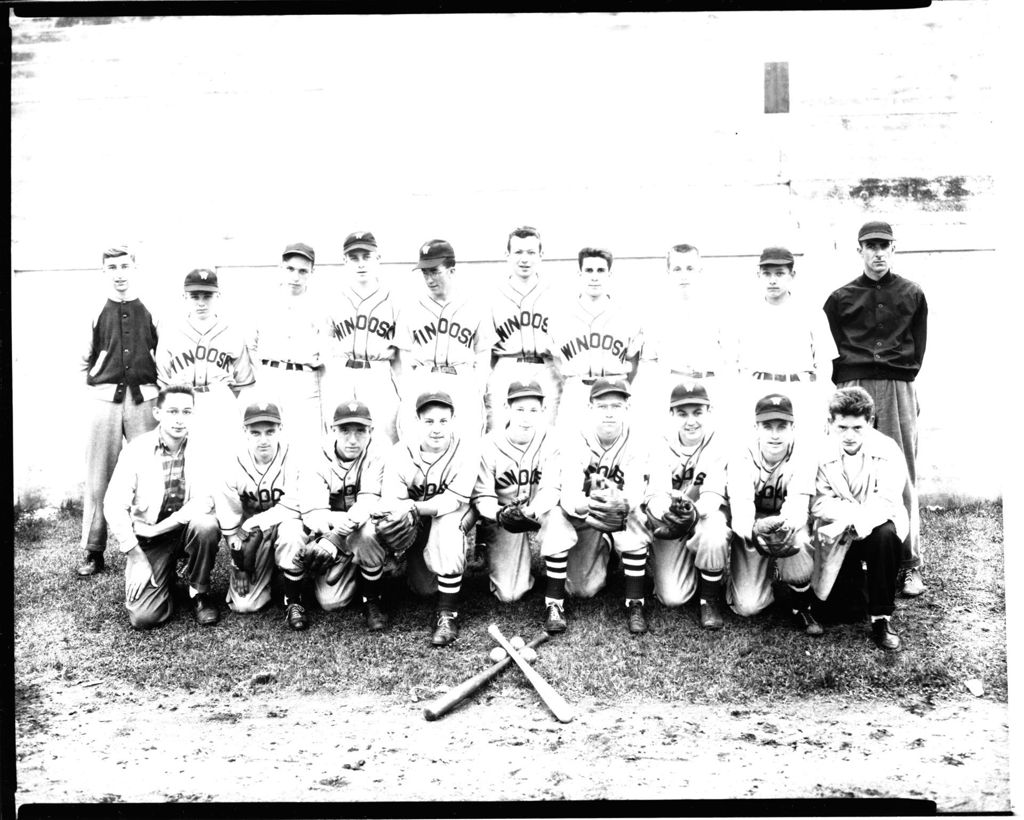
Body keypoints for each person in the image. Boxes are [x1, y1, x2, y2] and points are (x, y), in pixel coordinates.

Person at [823, 221, 928, 598]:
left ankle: (909, 563)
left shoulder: (912, 293)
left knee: (903, 471)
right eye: (871, 246)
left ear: (894, 248)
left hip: (897, 385)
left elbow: (918, 346)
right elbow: (834, 347)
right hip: (854, 385)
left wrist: (898, 378)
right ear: (860, 250)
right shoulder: (840, 298)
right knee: (846, 470)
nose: (878, 252)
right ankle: (848, 563)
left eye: (884, 245)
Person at [539, 378, 651, 635]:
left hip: (619, 515)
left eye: (616, 405)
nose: (610, 413)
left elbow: (635, 490)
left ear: (627, 408)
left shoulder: (637, 438)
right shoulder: (574, 437)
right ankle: (554, 603)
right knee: (583, 589)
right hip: (584, 515)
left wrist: (621, 503)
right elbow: (568, 497)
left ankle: (635, 602)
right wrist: (593, 504)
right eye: (602, 406)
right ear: (590, 408)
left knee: (633, 514)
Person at [102, 385, 221, 629]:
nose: (179, 419)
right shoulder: (136, 449)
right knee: (145, 618)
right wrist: (136, 557)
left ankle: (199, 592)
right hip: (149, 539)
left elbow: (204, 501)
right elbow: (113, 506)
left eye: (186, 412)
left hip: (183, 529)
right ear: (157, 413)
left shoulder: (204, 448)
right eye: (172, 411)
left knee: (206, 524)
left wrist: (158, 529)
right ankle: (164, 573)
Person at [77, 244, 160, 577]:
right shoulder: (95, 307)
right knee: (99, 475)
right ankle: (94, 549)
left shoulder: (152, 306)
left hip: (145, 398)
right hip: (106, 401)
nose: (120, 273)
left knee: (151, 474)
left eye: (125, 266)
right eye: (112, 267)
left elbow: (163, 353)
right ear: (104, 272)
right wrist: (95, 388)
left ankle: (155, 543)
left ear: (134, 267)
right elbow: (81, 358)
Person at [811, 386, 909, 651]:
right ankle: (856, 583)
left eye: (857, 428)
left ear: (870, 422)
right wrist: (847, 519)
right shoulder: (821, 452)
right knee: (845, 610)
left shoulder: (887, 449)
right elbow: (818, 502)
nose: (849, 436)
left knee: (885, 536)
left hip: (876, 525)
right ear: (830, 423)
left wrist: (853, 522)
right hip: (838, 531)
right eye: (842, 427)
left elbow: (887, 501)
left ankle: (881, 618)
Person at [380, 390, 479, 646]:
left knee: (447, 527)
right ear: (417, 421)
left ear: (453, 420)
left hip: (456, 510)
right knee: (424, 589)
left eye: (443, 421)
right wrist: (405, 515)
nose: (437, 429)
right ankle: (410, 559)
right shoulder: (399, 452)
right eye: (429, 421)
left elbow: (453, 500)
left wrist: (412, 508)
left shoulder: (467, 449)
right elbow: (393, 502)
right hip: (419, 518)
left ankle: (448, 613)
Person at [725, 393, 821, 636]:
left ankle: (800, 603)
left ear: (793, 428)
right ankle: (747, 578)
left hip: (784, 523)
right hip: (753, 523)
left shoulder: (805, 452)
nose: (775, 434)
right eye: (768, 426)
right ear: (756, 428)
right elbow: (740, 504)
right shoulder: (741, 451)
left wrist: (784, 528)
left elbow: (799, 504)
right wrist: (754, 531)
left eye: (782, 426)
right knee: (748, 606)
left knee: (797, 543)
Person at [211, 400, 309, 630]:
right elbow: (230, 522)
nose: (263, 440)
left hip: (286, 523)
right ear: (244, 432)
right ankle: (270, 572)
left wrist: (256, 520)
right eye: (255, 433)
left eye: (270, 432)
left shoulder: (296, 456)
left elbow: (296, 505)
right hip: (252, 538)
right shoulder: (230, 463)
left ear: (280, 430)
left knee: (292, 531)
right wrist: (239, 565)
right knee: (245, 605)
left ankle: (293, 598)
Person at [642, 381, 732, 630]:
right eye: (682, 413)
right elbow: (656, 494)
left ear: (709, 412)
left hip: (703, 514)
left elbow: (714, 495)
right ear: (671, 415)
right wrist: (666, 513)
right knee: (672, 598)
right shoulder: (658, 441)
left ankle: (709, 598)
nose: (690, 421)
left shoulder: (720, 442)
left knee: (714, 529)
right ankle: (663, 561)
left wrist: (693, 513)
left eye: (697, 413)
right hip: (671, 520)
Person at [300, 399, 390, 631]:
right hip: (327, 533)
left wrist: (340, 535)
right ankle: (364, 569)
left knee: (369, 529)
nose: (352, 439)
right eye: (344, 430)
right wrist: (334, 537)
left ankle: (372, 599)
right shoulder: (314, 455)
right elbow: (313, 514)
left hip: (359, 528)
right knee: (332, 602)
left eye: (360, 431)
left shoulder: (379, 451)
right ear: (333, 430)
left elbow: (369, 500)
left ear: (371, 431)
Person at [393, 239, 495, 442]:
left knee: (467, 443)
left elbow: (484, 351)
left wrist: (477, 386)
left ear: (452, 270)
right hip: (424, 376)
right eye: (425, 273)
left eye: (435, 271)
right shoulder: (410, 307)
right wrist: (408, 388)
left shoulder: (475, 305)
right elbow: (403, 354)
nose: (429, 279)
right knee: (417, 443)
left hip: (461, 378)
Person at [634, 243, 738, 437]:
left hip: (710, 387)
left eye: (690, 268)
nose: (683, 275)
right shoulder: (655, 312)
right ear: (668, 272)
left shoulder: (719, 309)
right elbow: (649, 362)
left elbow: (730, 359)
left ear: (700, 271)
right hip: (672, 387)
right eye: (677, 269)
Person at [734, 247, 837, 440]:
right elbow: (734, 363)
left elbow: (824, 364)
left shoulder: (811, 312)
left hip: (800, 390)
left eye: (780, 273)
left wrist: (821, 402)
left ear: (792, 275)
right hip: (758, 388)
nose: (773, 280)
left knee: (804, 449)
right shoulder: (746, 314)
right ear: (758, 275)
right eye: (767, 274)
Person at [471, 380, 559, 602]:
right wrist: (499, 514)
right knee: (510, 594)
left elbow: (551, 488)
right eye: (520, 409)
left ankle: (599, 546)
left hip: (543, 512)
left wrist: (533, 510)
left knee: (584, 589)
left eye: (533, 410)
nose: (526, 417)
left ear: (543, 411)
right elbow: (482, 496)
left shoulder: (553, 439)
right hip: (505, 518)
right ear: (507, 408)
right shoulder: (488, 445)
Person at [154, 268, 255, 459]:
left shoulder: (232, 331)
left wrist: (220, 397)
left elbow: (242, 381)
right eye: (195, 296)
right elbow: (164, 378)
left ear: (218, 295)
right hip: (184, 399)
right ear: (184, 297)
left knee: (224, 458)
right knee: (185, 459)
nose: (201, 303)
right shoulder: (171, 332)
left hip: (219, 399)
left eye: (207, 296)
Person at [548, 248, 642, 433]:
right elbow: (556, 361)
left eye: (600, 271)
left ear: (609, 274)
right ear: (580, 274)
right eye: (589, 271)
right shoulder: (561, 316)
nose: (594, 277)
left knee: (616, 450)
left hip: (613, 390)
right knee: (569, 449)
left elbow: (633, 359)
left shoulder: (626, 315)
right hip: (577, 389)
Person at [322, 232, 402, 444]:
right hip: (342, 372)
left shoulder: (394, 298)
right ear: (344, 261)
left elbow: (402, 352)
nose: (361, 264)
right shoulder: (333, 297)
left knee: (383, 438)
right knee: (338, 438)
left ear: (378, 258)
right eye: (354, 258)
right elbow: (325, 341)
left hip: (378, 373)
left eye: (366, 257)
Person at [249, 243, 327, 453]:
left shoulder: (321, 304)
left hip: (304, 380)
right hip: (270, 376)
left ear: (312, 272)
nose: (296, 277)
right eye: (290, 269)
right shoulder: (264, 301)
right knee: (268, 440)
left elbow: (327, 346)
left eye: (303, 271)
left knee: (306, 444)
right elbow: (250, 345)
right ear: (281, 267)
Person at [484, 226, 562, 432]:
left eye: (531, 252)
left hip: (545, 367)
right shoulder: (492, 295)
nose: (524, 259)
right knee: (498, 430)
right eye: (518, 252)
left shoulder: (555, 294)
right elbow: (485, 348)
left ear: (541, 256)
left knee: (548, 432)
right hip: (507, 365)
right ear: (507, 255)